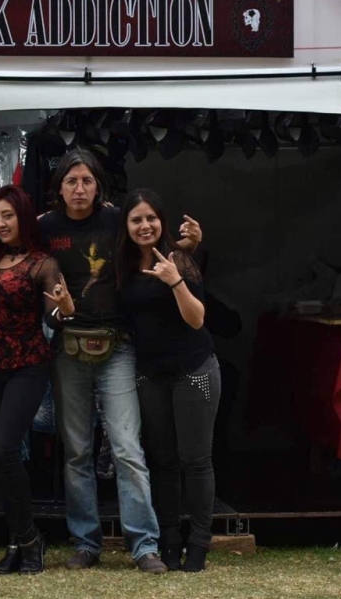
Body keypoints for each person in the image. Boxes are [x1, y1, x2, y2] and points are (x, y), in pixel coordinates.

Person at [38, 148, 201, 573]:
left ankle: (144, 544)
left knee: (128, 447)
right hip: (68, 343)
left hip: (118, 345)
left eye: (87, 181)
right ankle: (85, 542)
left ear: (99, 186)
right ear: (59, 187)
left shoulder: (116, 219)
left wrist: (190, 244)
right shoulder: (45, 227)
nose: (79, 188)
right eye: (71, 181)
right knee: (76, 451)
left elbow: (155, 241)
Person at [0, 185, 74, 574]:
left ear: (23, 217)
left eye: (7, 216)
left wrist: (64, 309)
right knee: (0, 459)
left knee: (4, 450)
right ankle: (17, 542)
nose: (0, 224)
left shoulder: (42, 263)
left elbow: (53, 316)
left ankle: (31, 539)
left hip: (26, 365)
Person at [116, 188, 220, 572]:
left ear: (162, 221)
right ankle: (169, 541)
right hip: (149, 374)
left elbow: (197, 319)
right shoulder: (123, 266)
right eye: (136, 219)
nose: (144, 226)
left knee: (196, 459)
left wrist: (175, 280)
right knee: (162, 460)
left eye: (151, 219)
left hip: (194, 369)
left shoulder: (179, 260)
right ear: (125, 227)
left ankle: (199, 544)